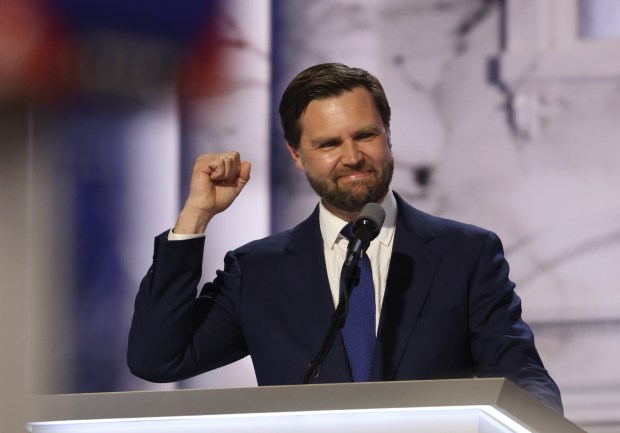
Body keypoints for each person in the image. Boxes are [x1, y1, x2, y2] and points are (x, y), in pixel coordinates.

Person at [127, 63, 563, 413]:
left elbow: (519, 371)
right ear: (297, 155)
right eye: (329, 144)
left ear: (388, 135)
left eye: (365, 135)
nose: (352, 157)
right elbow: (159, 358)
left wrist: (542, 422)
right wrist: (196, 216)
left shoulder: (466, 254)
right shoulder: (257, 271)